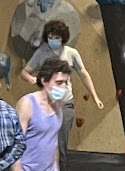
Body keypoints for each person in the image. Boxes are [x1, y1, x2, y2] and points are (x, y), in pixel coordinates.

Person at [21, 19, 103, 158]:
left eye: (56, 38)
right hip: (45, 103)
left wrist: (95, 97)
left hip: (65, 103)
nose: (53, 40)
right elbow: (25, 71)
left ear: (62, 38)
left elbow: (84, 75)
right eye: (50, 37)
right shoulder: (42, 52)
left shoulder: (71, 53)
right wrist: (31, 78)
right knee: (42, 141)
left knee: (60, 143)